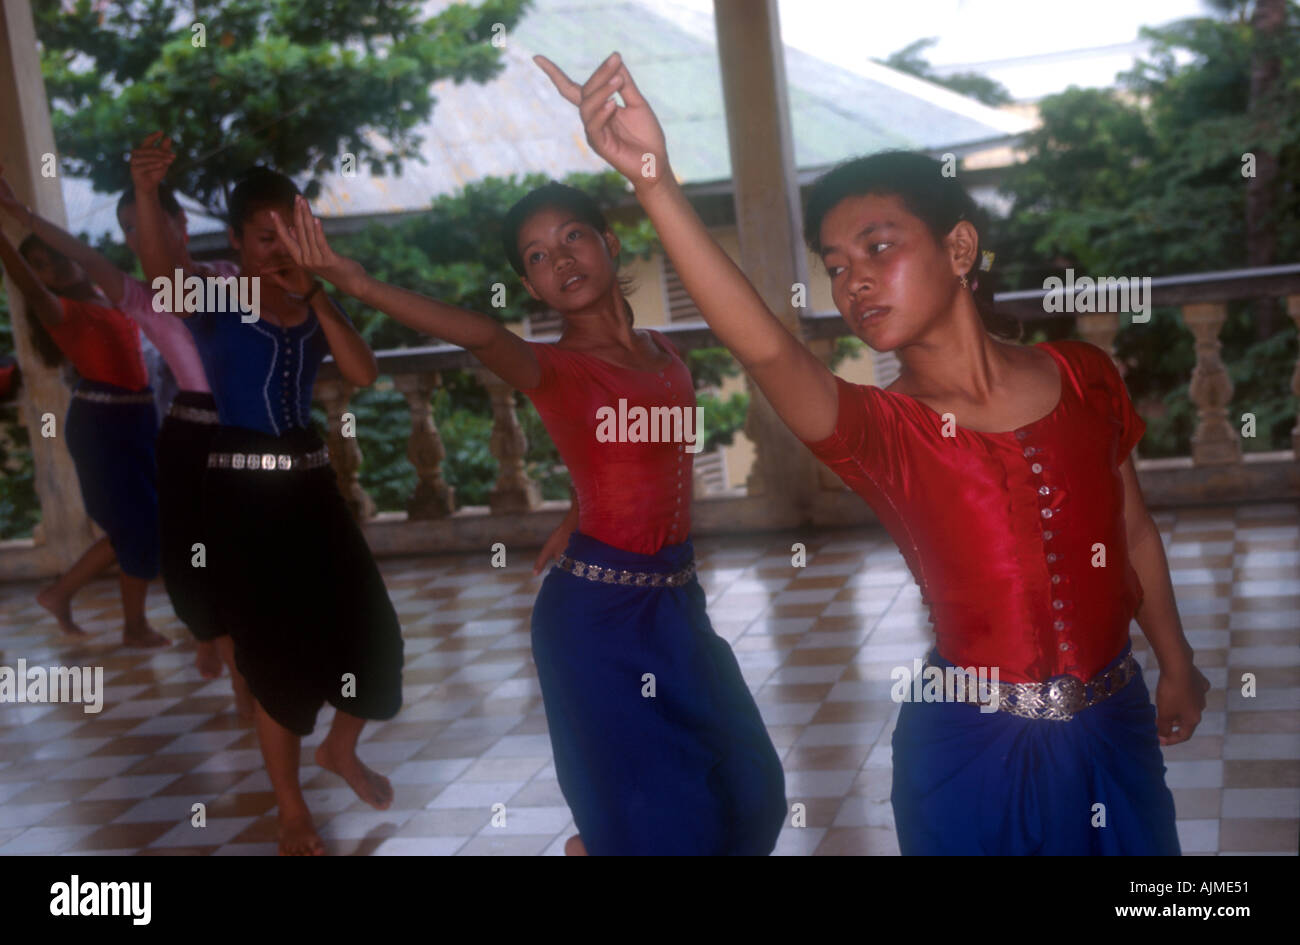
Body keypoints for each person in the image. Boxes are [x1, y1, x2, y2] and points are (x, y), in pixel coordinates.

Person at [536, 52, 1211, 855]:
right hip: (971, 756)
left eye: (878, 248)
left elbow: (1133, 530)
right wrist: (654, 181)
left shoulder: (1085, 375)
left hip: (1117, 725)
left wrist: (1177, 659)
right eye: (836, 267)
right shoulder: (882, 430)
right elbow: (769, 350)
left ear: (959, 248)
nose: (853, 282)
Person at [267, 181, 788, 856]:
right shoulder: (554, 368)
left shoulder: (667, 354)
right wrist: (357, 283)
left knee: (752, 790)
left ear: (610, 241)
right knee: (668, 816)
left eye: (572, 236)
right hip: (597, 621)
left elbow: (634, 454)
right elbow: (483, 333)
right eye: (537, 256)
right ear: (531, 287)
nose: (561, 259)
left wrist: (579, 508)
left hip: (677, 605)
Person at [130, 138, 404, 855]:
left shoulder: (312, 297)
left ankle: (339, 749)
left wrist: (316, 286)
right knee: (275, 656)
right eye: (265, 234)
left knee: (374, 632)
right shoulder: (220, 296)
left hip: (313, 486)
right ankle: (292, 812)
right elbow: (163, 277)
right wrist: (149, 193)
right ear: (237, 240)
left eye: (292, 231)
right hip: (243, 496)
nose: (280, 246)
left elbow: (364, 371)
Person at [0, 175, 168, 649]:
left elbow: (74, 249)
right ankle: (130, 624)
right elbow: (29, 287)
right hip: (102, 425)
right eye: (41, 266)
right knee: (137, 524)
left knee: (141, 522)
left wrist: (20, 212)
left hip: (138, 418)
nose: (50, 267)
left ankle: (62, 594)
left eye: (53, 256)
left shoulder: (103, 291)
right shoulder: (60, 310)